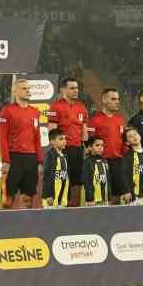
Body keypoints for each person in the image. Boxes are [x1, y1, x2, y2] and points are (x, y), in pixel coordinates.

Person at [0, 78, 41, 209]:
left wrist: (39, 161)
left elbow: (37, 138)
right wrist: (6, 160)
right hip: (14, 158)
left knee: (28, 199)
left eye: (28, 88)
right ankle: (3, 227)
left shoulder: (35, 112)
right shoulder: (7, 111)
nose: (28, 91)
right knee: (7, 200)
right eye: (24, 88)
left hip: (31, 159)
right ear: (15, 91)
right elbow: (2, 137)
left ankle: (25, 228)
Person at [49, 77, 89, 207]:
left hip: (78, 150)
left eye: (77, 88)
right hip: (63, 151)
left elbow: (84, 130)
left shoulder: (82, 107)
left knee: (77, 182)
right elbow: (52, 131)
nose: (76, 90)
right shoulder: (55, 106)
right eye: (72, 88)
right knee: (62, 180)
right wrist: (56, 150)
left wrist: (86, 147)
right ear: (63, 89)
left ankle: (75, 211)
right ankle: (60, 209)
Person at [89, 88, 128, 203]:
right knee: (103, 197)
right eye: (113, 99)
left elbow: (124, 142)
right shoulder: (94, 120)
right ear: (104, 100)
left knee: (117, 197)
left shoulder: (120, 119)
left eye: (118, 99)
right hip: (101, 162)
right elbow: (89, 143)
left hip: (118, 163)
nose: (117, 102)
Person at [41, 127, 71, 208]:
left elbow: (67, 178)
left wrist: (68, 196)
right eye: (61, 139)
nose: (64, 141)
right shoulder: (50, 155)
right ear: (52, 141)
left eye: (65, 139)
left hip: (63, 199)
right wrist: (48, 195)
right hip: (51, 198)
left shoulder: (65, 156)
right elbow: (47, 175)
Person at [81, 135, 111, 206]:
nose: (100, 147)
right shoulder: (87, 162)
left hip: (105, 201)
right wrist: (90, 199)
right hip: (93, 201)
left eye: (102, 145)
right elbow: (87, 182)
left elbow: (108, 181)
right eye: (97, 145)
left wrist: (109, 198)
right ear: (90, 147)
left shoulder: (105, 162)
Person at [125, 127, 143, 204]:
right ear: (127, 142)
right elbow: (125, 175)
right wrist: (127, 191)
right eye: (130, 136)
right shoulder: (128, 156)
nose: (134, 137)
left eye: (135, 134)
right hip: (133, 196)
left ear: (140, 136)